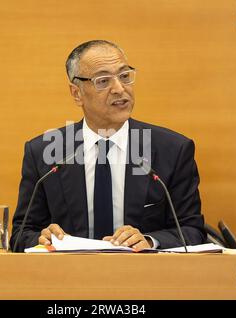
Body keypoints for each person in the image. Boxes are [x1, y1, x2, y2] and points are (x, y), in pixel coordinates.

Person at [10, 40, 206, 252]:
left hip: (144, 278)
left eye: (124, 76)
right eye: (103, 81)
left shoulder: (172, 150)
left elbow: (192, 230)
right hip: (69, 278)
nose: (119, 89)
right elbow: (22, 233)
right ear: (77, 93)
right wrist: (43, 238)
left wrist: (149, 240)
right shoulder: (44, 152)